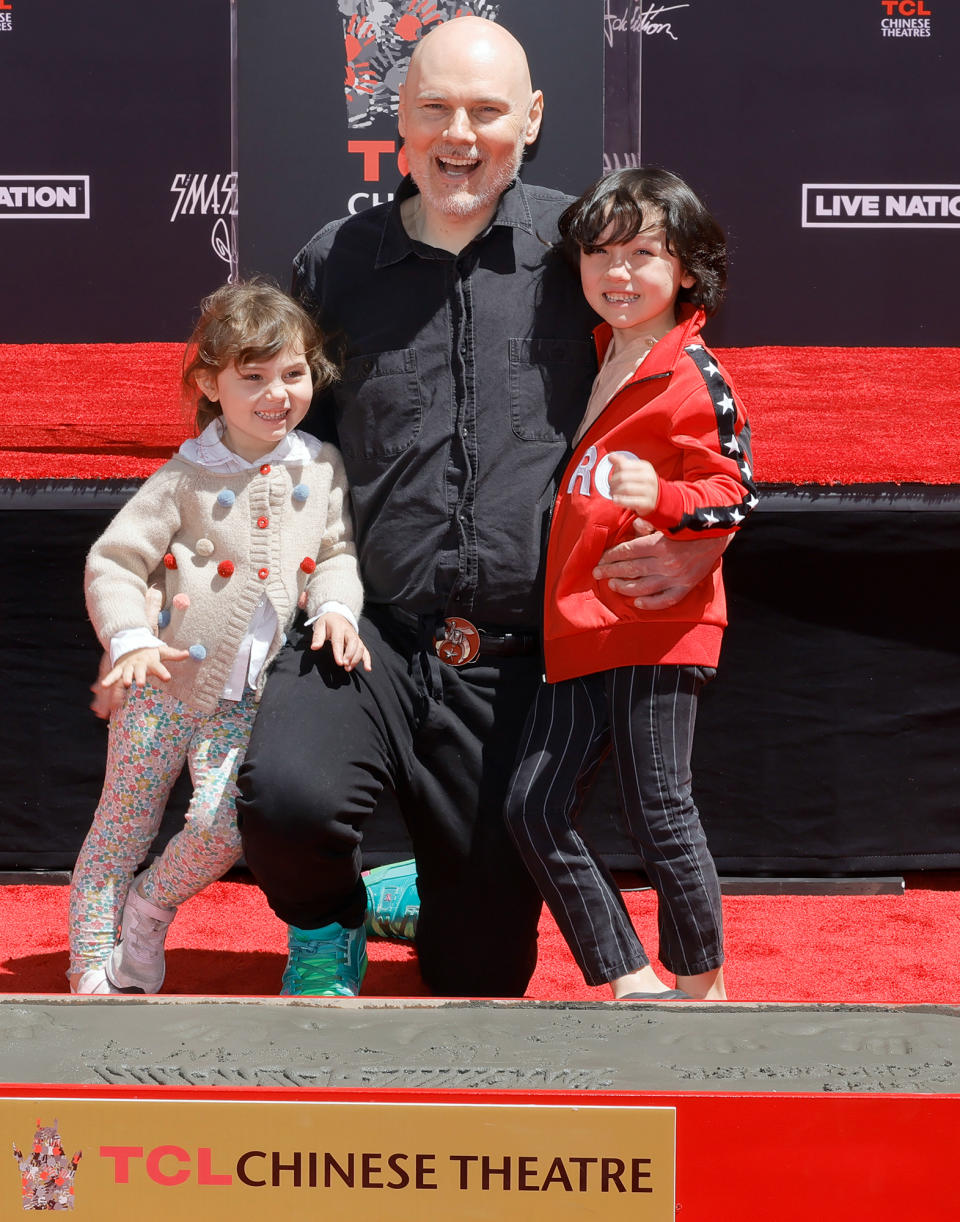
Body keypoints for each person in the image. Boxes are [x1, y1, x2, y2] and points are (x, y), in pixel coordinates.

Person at [236, 16, 728, 998]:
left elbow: (686, 406)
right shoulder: (333, 262)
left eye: (488, 111)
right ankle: (331, 917)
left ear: (533, 118)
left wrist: (698, 543)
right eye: (436, 109)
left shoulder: (585, 256)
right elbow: (292, 443)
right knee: (286, 801)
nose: (461, 134)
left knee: (480, 976)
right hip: (366, 633)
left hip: (517, 658)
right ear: (399, 123)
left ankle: (421, 889)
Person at [69, 281, 367, 995]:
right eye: (253, 377)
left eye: (292, 374)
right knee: (121, 826)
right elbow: (114, 561)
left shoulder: (320, 466)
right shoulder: (185, 475)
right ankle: (90, 964)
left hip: (246, 700)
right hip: (164, 686)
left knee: (225, 825)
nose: (277, 394)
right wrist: (131, 636)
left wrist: (336, 610)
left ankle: (150, 906)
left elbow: (335, 553)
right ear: (210, 382)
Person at [504, 167, 757, 1002]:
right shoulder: (593, 354)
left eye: (644, 253)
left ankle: (701, 988)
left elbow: (735, 492)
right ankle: (627, 976)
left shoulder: (696, 373)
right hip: (577, 624)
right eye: (601, 253)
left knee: (661, 811)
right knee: (533, 808)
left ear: (687, 268)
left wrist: (670, 500)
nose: (619, 273)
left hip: (657, 621)